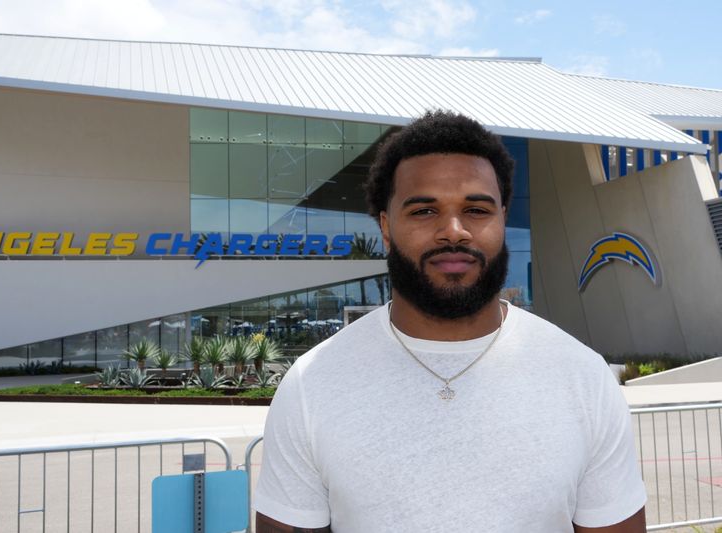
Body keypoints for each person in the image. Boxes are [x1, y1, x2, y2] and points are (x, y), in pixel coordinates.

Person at [254, 111, 647, 532]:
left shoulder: (582, 376)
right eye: (424, 211)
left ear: (500, 219)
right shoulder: (313, 384)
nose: (454, 231)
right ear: (386, 228)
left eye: (476, 209)